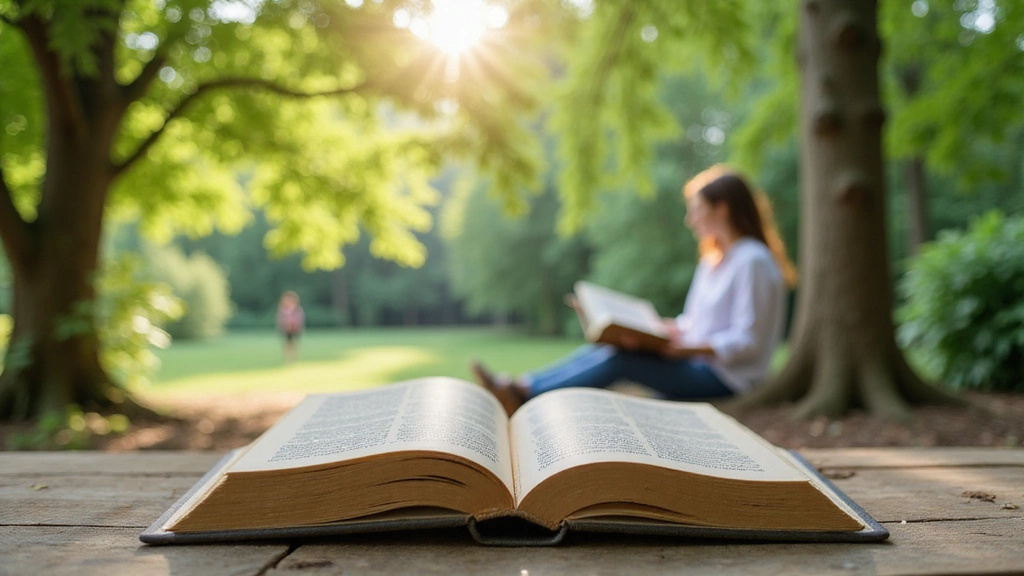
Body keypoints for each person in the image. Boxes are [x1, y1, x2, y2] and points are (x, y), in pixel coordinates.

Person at [472, 164, 798, 415]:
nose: (690, 220)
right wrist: (662, 331)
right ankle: (522, 385)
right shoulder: (714, 260)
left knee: (622, 361)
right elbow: (694, 323)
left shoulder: (753, 261)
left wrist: (684, 350)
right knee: (612, 348)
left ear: (722, 208)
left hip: (727, 378)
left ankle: (524, 395)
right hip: (698, 363)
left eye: (696, 209)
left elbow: (748, 341)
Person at [276, 290, 305, 362]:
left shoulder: (297, 309)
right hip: (287, 329)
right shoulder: (283, 310)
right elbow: (280, 319)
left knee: (295, 343)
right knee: (288, 343)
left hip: (295, 328)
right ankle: (288, 357)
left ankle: (295, 357)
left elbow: (300, 318)